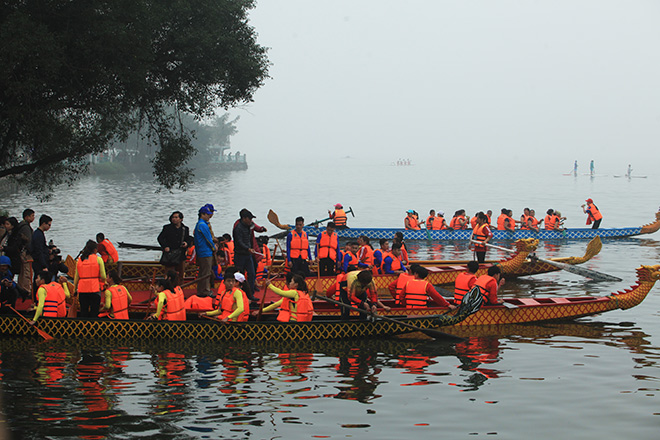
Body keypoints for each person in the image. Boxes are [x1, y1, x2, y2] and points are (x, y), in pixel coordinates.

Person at [233, 208, 266, 300]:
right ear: (244, 218)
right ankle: (240, 295)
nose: (251, 221)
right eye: (250, 219)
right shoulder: (238, 227)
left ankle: (250, 294)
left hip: (248, 254)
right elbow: (239, 241)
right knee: (240, 275)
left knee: (252, 274)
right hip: (240, 254)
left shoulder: (249, 224)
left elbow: (255, 227)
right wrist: (247, 248)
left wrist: (261, 229)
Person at [74, 240, 107, 318]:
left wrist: (75, 289)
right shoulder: (98, 259)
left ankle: (84, 327)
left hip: (82, 289)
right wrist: (104, 282)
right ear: (95, 250)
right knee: (94, 311)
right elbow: (103, 276)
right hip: (94, 288)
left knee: (84, 311)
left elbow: (76, 277)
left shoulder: (79, 260)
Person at [157, 211, 192, 280]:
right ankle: (168, 287)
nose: (174, 219)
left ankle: (179, 288)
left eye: (176, 217)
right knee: (169, 273)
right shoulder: (167, 228)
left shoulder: (185, 229)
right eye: (173, 217)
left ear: (181, 219)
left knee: (180, 274)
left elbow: (188, 238)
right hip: (170, 254)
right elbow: (160, 238)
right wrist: (165, 246)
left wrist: (186, 243)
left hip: (181, 254)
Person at [194, 205, 217, 297]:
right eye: (207, 214)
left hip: (202, 251)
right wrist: (214, 247)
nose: (209, 216)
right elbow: (208, 239)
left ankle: (202, 290)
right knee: (206, 273)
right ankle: (205, 291)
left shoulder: (200, 224)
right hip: (205, 252)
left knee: (203, 272)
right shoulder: (203, 225)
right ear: (202, 214)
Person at [16, 209, 35, 292]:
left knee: (22, 272)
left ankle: (21, 288)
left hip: (20, 251)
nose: (33, 218)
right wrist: (32, 251)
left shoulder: (21, 225)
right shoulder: (26, 227)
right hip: (25, 253)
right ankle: (26, 290)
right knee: (27, 272)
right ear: (27, 217)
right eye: (32, 216)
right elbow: (29, 241)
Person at [31, 215, 52, 283]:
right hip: (39, 263)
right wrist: (44, 265)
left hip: (39, 261)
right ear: (43, 223)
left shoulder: (39, 233)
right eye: (49, 225)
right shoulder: (38, 235)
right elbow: (38, 251)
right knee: (39, 280)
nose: (49, 227)